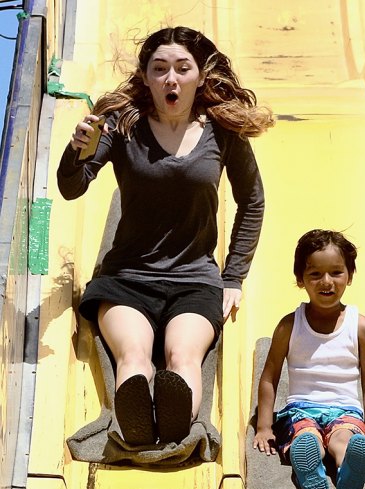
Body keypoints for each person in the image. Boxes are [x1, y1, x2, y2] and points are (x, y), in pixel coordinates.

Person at [57, 26, 274, 447]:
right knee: (134, 355)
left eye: (181, 68)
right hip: (126, 280)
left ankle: (175, 420)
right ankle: (137, 418)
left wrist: (233, 276)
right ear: (146, 77)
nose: (170, 79)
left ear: (198, 76)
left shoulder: (222, 132)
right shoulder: (123, 126)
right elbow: (72, 186)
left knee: (182, 356)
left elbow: (253, 202)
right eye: (159, 69)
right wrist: (76, 149)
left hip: (194, 281)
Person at [253, 229, 365, 489]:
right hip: (301, 408)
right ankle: (311, 472)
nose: (326, 282)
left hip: (345, 409)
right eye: (315, 274)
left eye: (336, 272)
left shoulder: (360, 326)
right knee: (306, 437)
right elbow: (269, 377)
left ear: (349, 275)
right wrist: (264, 426)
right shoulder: (290, 325)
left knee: (344, 440)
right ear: (300, 280)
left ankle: (349, 475)